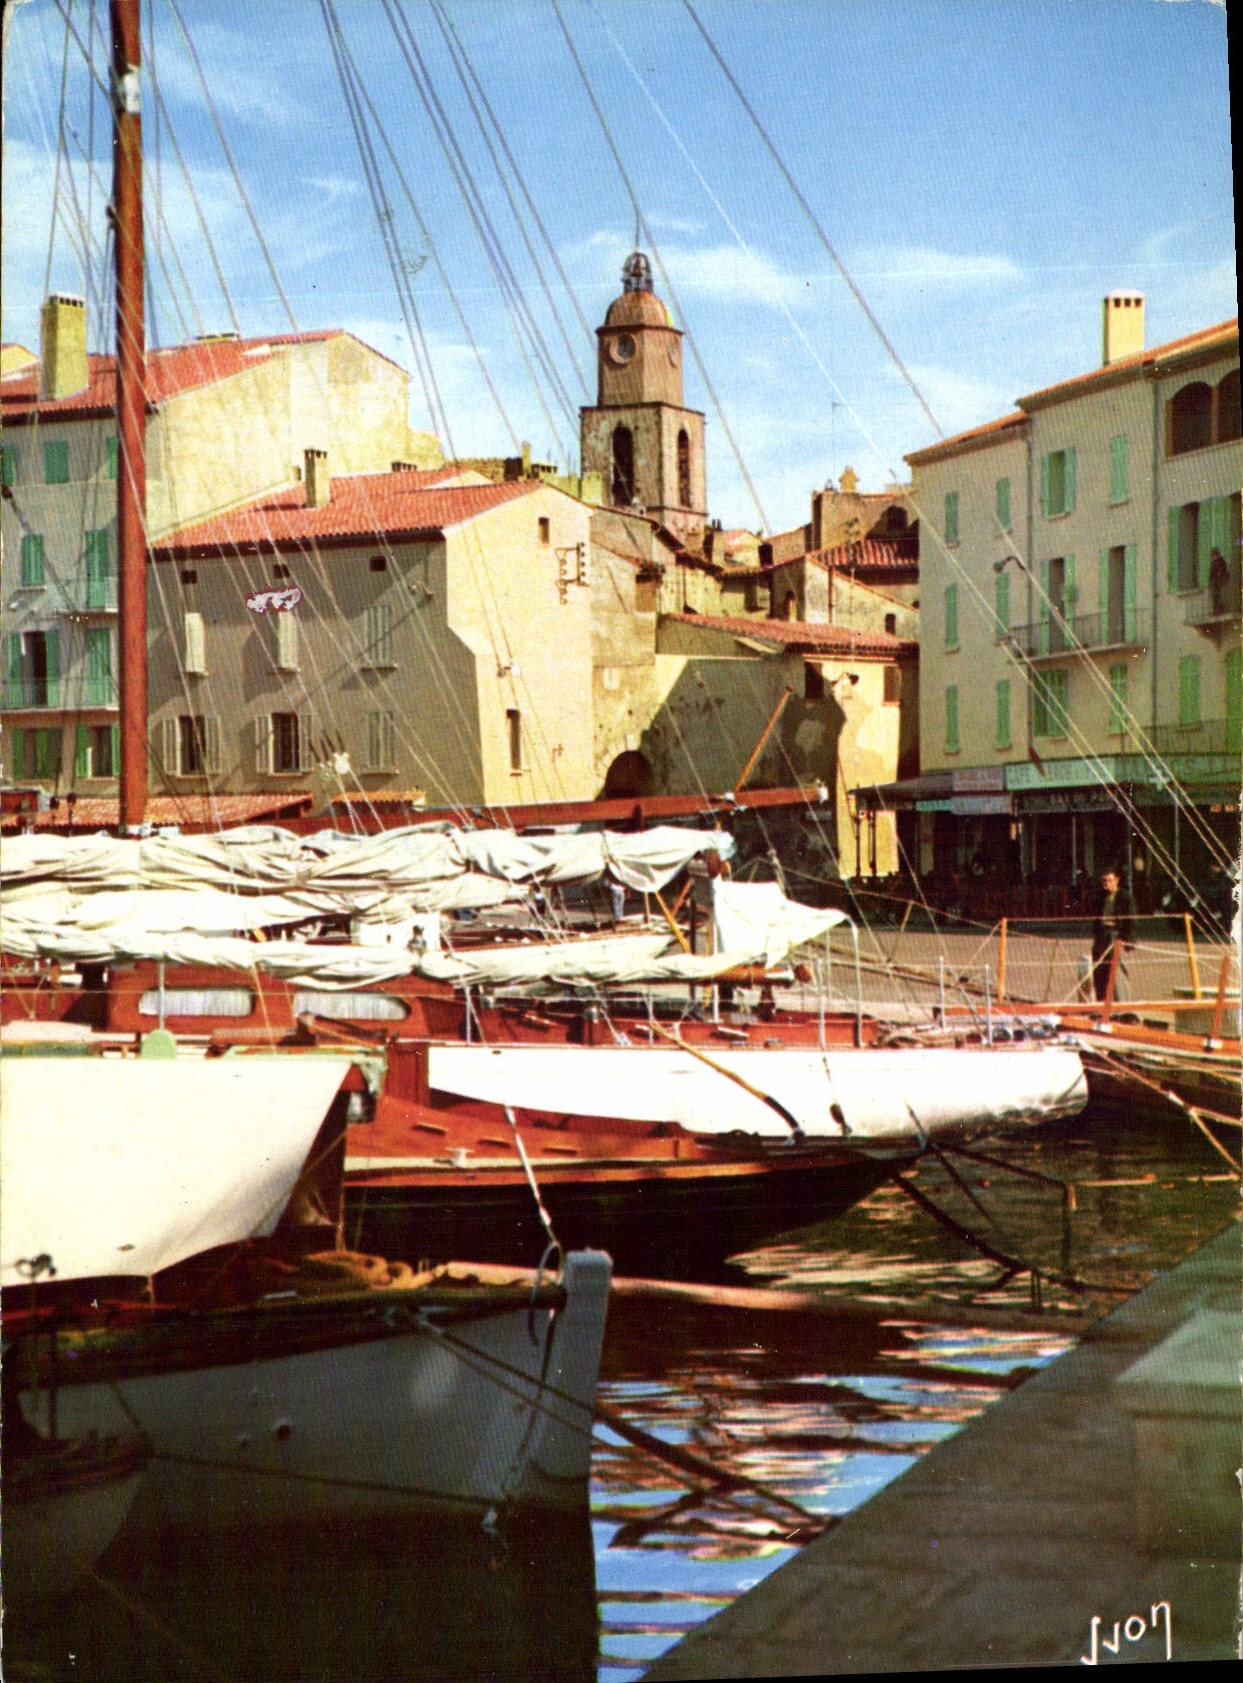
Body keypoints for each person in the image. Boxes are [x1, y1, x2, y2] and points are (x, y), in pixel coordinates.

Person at [1090, 867, 1135, 1001]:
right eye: (1104, 881)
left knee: (1115, 970)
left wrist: (1127, 940)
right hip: (1102, 934)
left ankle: (1122, 1004)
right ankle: (1102, 1002)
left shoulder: (1125, 897)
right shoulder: (1100, 897)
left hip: (1115, 934)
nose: (1106, 884)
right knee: (1099, 969)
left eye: (1109, 881)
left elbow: (1130, 920)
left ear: (1116, 880)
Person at [1209, 548, 1229, 615]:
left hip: (1218, 582)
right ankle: (1217, 610)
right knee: (1216, 597)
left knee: (1218, 597)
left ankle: (1218, 610)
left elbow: (1217, 572)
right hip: (1216, 582)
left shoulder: (1219, 562)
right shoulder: (1219, 562)